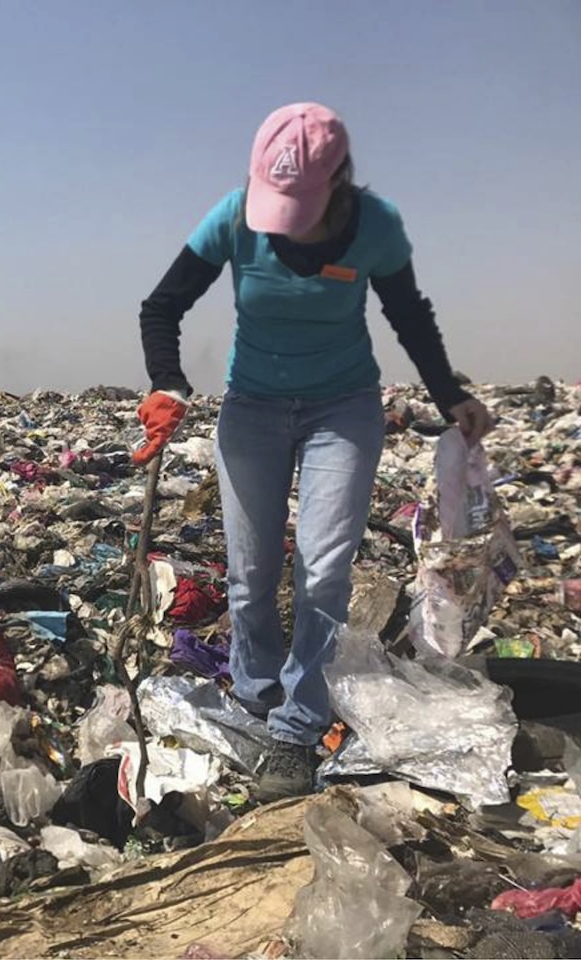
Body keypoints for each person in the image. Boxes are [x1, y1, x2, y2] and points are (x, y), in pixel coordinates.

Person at [133, 102, 494, 801]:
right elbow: (162, 305)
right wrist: (168, 383)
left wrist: (451, 394)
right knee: (250, 569)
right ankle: (257, 694)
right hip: (253, 409)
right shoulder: (236, 217)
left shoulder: (376, 226)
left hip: (343, 409)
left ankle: (298, 724)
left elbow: (408, 312)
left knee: (324, 569)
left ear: (339, 181)